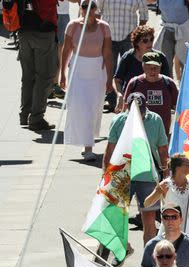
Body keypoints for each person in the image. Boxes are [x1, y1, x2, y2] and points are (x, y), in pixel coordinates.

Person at [104, 93, 169, 248]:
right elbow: (110, 149)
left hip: (146, 176)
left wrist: (165, 172)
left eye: (142, 110)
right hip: (122, 175)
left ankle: (150, 261)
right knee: (115, 217)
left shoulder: (155, 120)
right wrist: (105, 175)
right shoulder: (118, 121)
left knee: (149, 220)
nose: (139, 114)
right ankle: (124, 248)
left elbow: (162, 149)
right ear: (127, 108)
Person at [60, 0, 113, 160]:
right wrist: (62, 73)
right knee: (80, 107)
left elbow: (108, 54)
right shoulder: (72, 25)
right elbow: (66, 50)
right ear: (80, 8)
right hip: (78, 69)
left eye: (92, 6)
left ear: (96, 9)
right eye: (84, 6)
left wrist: (110, 78)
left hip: (97, 70)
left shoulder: (104, 27)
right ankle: (87, 145)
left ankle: (88, 144)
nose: (88, 9)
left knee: (93, 109)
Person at [95, 0, 148, 110]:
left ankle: (130, 100)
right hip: (108, 36)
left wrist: (138, 34)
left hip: (129, 37)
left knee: (129, 70)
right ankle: (112, 101)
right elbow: (97, 11)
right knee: (109, 70)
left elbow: (144, 13)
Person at [18, 0, 59, 132]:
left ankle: (25, 115)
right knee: (44, 77)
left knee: (28, 76)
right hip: (43, 31)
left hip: (23, 30)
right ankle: (36, 119)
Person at [113, 25, 171, 110]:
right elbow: (117, 80)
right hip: (133, 104)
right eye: (145, 41)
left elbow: (167, 82)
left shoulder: (160, 57)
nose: (149, 43)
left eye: (151, 39)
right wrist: (120, 95)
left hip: (155, 103)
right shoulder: (128, 57)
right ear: (136, 43)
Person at [123, 51, 179, 133]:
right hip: (139, 134)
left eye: (155, 67)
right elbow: (125, 110)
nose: (152, 70)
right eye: (148, 67)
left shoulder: (169, 84)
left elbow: (178, 109)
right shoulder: (134, 83)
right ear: (143, 66)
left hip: (162, 135)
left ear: (160, 66)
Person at [154, 0, 189, 78]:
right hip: (167, 29)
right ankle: (168, 86)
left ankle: (186, 86)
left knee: (186, 62)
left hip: (184, 29)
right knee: (165, 63)